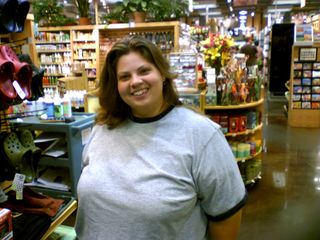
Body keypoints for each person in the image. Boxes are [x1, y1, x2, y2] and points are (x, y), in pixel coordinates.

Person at [75, 35, 248, 240]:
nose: (135, 81)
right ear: (116, 85)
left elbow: (226, 215)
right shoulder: (103, 127)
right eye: (124, 77)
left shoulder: (202, 135)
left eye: (144, 71)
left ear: (163, 75)